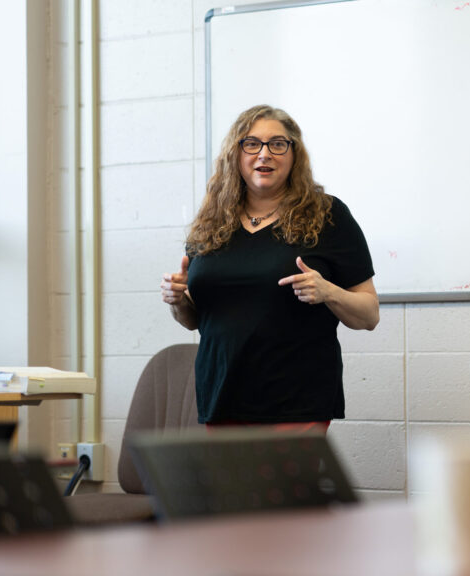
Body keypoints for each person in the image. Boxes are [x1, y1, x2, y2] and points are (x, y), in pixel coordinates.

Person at [160, 105, 379, 431]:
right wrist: (178, 300)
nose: (265, 154)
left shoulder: (328, 215)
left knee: (279, 485)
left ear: (294, 154)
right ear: (236, 154)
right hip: (222, 398)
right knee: (229, 485)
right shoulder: (211, 221)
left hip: (296, 401)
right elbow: (195, 321)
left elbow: (369, 314)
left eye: (278, 144)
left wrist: (329, 292)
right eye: (252, 144)